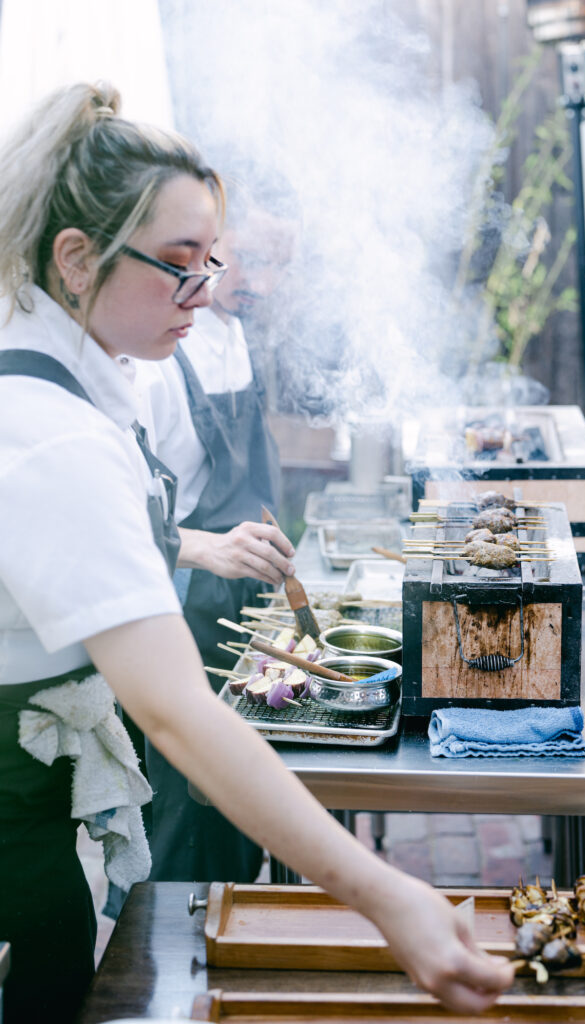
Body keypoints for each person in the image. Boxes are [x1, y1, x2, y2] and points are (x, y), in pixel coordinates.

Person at [0, 82, 516, 1024]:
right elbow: (180, 717)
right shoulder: (53, 436)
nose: (207, 291)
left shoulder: (70, 387)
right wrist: (387, 897)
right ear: (76, 259)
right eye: (180, 265)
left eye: (215, 263)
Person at [129, 174, 299, 886]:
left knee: (240, 806)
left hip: (242, 600)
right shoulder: (158, 360)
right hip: (179, 604)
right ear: (205, 245)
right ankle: (166, 979)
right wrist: (207, 549)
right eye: (246, 258)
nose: (259, 281)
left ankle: (241, 939)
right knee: (183, 813)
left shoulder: (232, 332)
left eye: (279, 263)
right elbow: (123, 514)